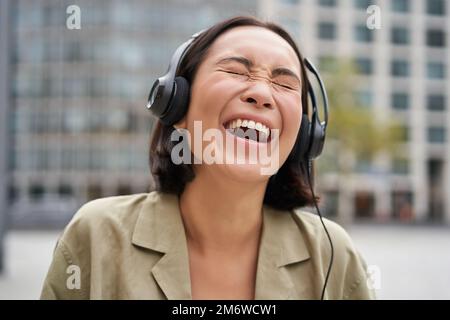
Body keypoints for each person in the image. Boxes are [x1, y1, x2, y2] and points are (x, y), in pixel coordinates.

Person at [40, 15, 376, 300]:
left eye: (284, 84)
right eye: (235, 71)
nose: (261, 94)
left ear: (304, 136)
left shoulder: (333, 255)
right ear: (177, 105)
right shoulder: (97, 236)